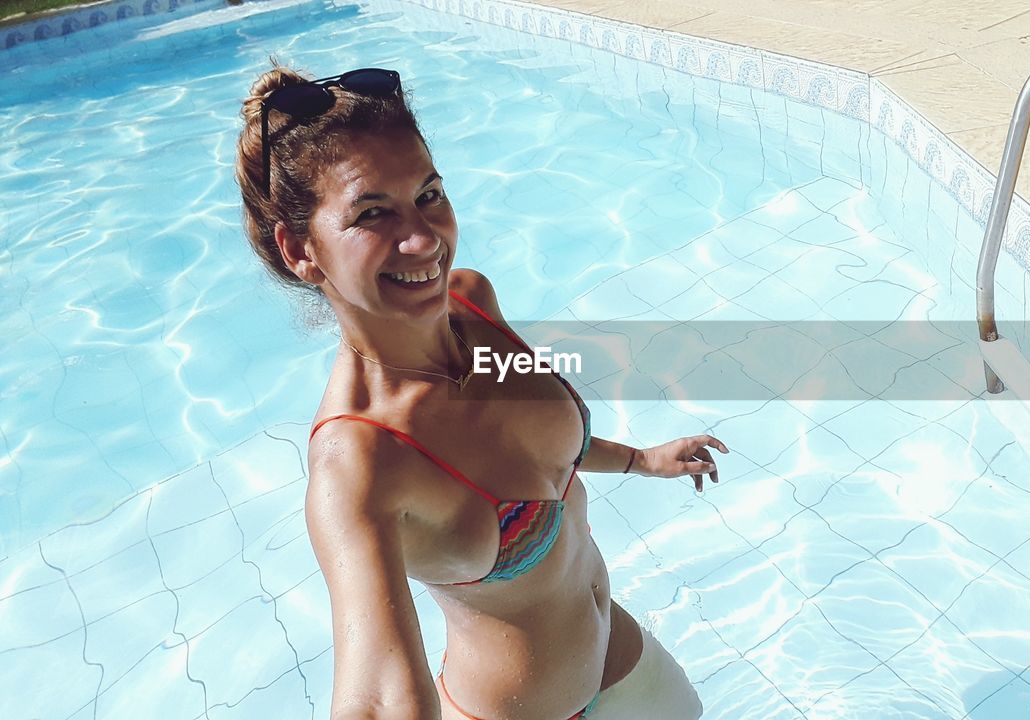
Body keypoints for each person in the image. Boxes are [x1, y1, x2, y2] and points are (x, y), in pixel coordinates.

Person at [234, 64, 727, 720]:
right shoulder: (358, 466)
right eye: (372, 213)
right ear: (301, 249)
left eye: (429, 194)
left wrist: (642, 461)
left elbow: (542, 449)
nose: (422, 238)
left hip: (621, 653)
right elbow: (377, 694)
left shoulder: (471, 304)